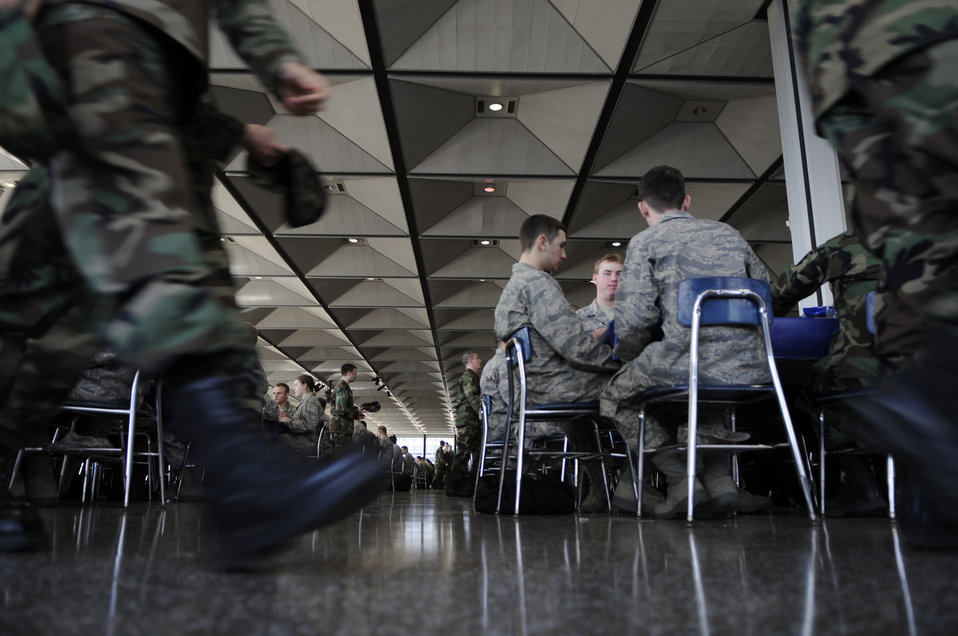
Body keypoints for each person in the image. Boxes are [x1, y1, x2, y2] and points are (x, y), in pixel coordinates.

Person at [0, 0, 383, 560]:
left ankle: (245, 483)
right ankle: (245, 479)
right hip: (96, 37)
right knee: (168, 257)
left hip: (160, 87)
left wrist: (264, 82)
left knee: (37, 302)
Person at [791, 1, 958, 547]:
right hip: (919, 26)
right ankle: (933, 398)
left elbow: (779, 291)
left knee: (917, 232)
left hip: (835, 50)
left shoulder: (836, 248)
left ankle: (927, 480)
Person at [601, 165, 773, 519]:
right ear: (687, 201)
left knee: (615, 396)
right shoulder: (730, 234)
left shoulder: (645, 242)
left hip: (687, 362)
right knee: (705, 394)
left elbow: (634, 323)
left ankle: (681, 481)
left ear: (643, 208)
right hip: (753, 366)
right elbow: (768, 294)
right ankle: (721, 483)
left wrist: (629, 358)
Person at [494, 214, 620, 512]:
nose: (564, 254)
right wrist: (620, 363)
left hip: (543, 391)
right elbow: (575, 347)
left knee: (579, 417)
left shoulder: (512, 289)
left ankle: (600, 491)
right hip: (560, 388)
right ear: (542, 242)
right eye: (561, 246)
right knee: (641, 391)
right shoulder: (538, 284)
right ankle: (655, 482)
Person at [773, 230, 885, 517]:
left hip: (863, 367)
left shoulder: (846, 245)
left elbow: (783, 291)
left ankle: (862, 487)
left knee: (810, 397)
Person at [446, 352, 483, 497]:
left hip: (472, 421)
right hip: (467, 421)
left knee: (477, 454)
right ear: (471, 360)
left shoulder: (473, 377)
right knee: (463, 453)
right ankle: (454, 486)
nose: (480, 360)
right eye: (477, 358)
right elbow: (472, 397)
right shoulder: (468, 376)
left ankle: (470, 486)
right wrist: (482, 413)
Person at [577, 254, 623, 339]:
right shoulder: (579, 318)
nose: (614, 279)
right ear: (595, 279)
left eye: (619, 274)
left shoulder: (635, 316)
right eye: (607, 274)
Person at [277, 375, 322, 456]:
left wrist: (287, 421)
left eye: (296, 385)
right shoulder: (307, 401)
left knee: (272, 439)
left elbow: (309, 425)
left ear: (305, 385)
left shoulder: (311, 401)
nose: (294, 388)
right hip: (303, 440)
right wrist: (289, 417)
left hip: (306, 442)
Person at [479, 339, 512, 445]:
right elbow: (513, 401)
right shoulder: (503, 365)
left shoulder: (491, 364)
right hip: (504, 426)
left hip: (494, 425)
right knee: (556, 425)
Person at [326, 363, 364, 454]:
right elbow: (341, 410)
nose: (356, 375)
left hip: (343, 429)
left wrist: (356, 414)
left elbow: (344, 407)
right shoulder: (341, 388)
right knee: (340, 456)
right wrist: (356, 411)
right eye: (355, 373)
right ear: (349, 373)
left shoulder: (345, 387)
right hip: (340, 430)